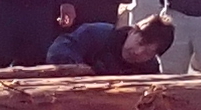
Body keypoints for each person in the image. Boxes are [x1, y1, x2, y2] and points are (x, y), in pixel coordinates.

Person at [46, 9, 177, 76]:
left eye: (148, 53)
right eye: (140, 42)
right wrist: (77, 70)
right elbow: (59, 49)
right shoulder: (97, 34)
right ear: (132, 31)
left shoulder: (150, 69)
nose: (138, 52)